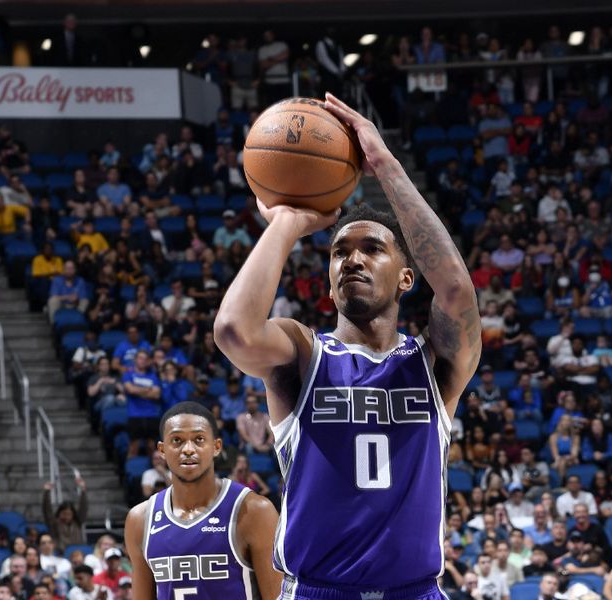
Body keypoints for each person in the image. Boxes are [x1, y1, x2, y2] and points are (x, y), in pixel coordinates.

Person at [215, 94, 481, 596]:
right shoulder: (303, 353)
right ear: (329, 282)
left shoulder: (435, 364)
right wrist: (288, 223)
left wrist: (383, 164)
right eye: (339, 252)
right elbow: (234, 331)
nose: (352, 260)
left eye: (371, 249)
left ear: (407, 278)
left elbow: (456, 292)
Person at [124, 402, 282, 599]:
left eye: (199, 439)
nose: (188, 449)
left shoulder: (255, 511)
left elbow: (278, 596)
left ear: (216, 447)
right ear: (162, 450)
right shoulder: (139, 520)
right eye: (177, 440)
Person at [42, 478, 87, 553]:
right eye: (64, 514)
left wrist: (83, 490)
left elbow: (83, 508)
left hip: (77, 553)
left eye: (69, 514)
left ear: (73, 515)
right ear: (59, 513)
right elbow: (47, 510)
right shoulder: (54, 523)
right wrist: (46, 492)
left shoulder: (77, 522)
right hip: (60, 554)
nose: (66, 516)